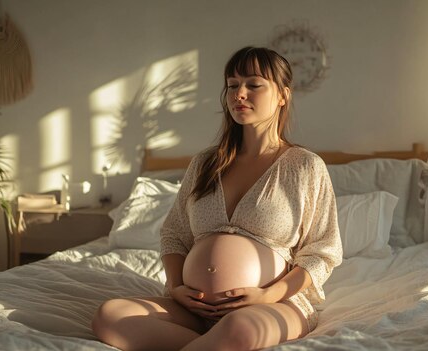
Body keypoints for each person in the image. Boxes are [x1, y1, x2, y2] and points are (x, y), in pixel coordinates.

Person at [92, 46, 342, 351]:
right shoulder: (204, 163)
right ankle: (212, 343)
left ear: (282, 95)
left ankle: (220, 341)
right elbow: (174, 235)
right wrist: (176, 287)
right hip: (194, 309)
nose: (239, 94)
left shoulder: (304, 166)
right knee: (110, 316)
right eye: (233, 85)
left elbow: (322, 252)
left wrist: (269, 295)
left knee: (238, 328)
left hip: (273, 305)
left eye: (253, 84)